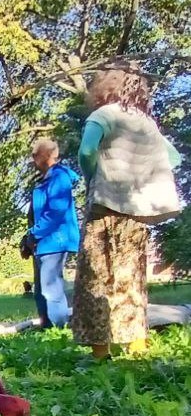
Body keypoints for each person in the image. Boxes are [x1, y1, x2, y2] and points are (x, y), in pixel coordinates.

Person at [72, 68, 182, 358]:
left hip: (105, 207)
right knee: (130, 275)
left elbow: (86, 152)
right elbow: (173, 157)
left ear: (103, 89)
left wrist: (92, 175)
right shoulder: (147, 122)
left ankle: (100, 350)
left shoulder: (103, 115)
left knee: (97, 277)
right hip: (137, 212)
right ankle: (136, 345)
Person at [23, 139, 80, 330]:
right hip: (44, 242)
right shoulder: (47, 179)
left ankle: (58, 330)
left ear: (46, 155)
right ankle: (46, 325)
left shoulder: (59, 178)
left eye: (35, 155)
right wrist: (28, 239)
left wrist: (34, 234)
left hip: (55, 240)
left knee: (51, 288)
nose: (33, 160)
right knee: (41, 289)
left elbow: (55, 212)